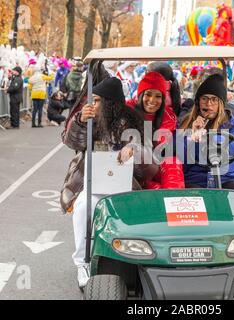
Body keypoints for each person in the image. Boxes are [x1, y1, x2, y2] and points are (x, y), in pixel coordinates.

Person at [61, 77, 149, 290]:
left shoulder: (133, 122)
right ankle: (83, 263)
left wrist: (134, 150)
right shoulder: (88, 118)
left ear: (111, 103)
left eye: (98, 100)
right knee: (83, 208)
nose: (93, 104)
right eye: (92, 99)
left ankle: (130, 262)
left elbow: (150, 157)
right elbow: (70, 141)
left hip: (125, 185)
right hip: (90, 181)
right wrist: (81, 121)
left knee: (130, 215)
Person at [179, 74, 234, 192]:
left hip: (226, 179)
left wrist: (205, 139)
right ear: (198, 102)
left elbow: (231, 148)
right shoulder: (185, 123)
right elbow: (180, 161)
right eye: (204, 99)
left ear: (221, 104)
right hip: (197, 180)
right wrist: (191, 137)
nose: (209, 104)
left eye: (214, 100)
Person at [126, 71, 185, 190]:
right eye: (148, 94)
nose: (152, 100)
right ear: (140, 95)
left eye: (158, 96)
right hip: (133, 167)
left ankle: (173, 201)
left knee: (172, 162)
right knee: (155, 187)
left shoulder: (168, 116)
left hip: (155, 163)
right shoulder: (127, 112)